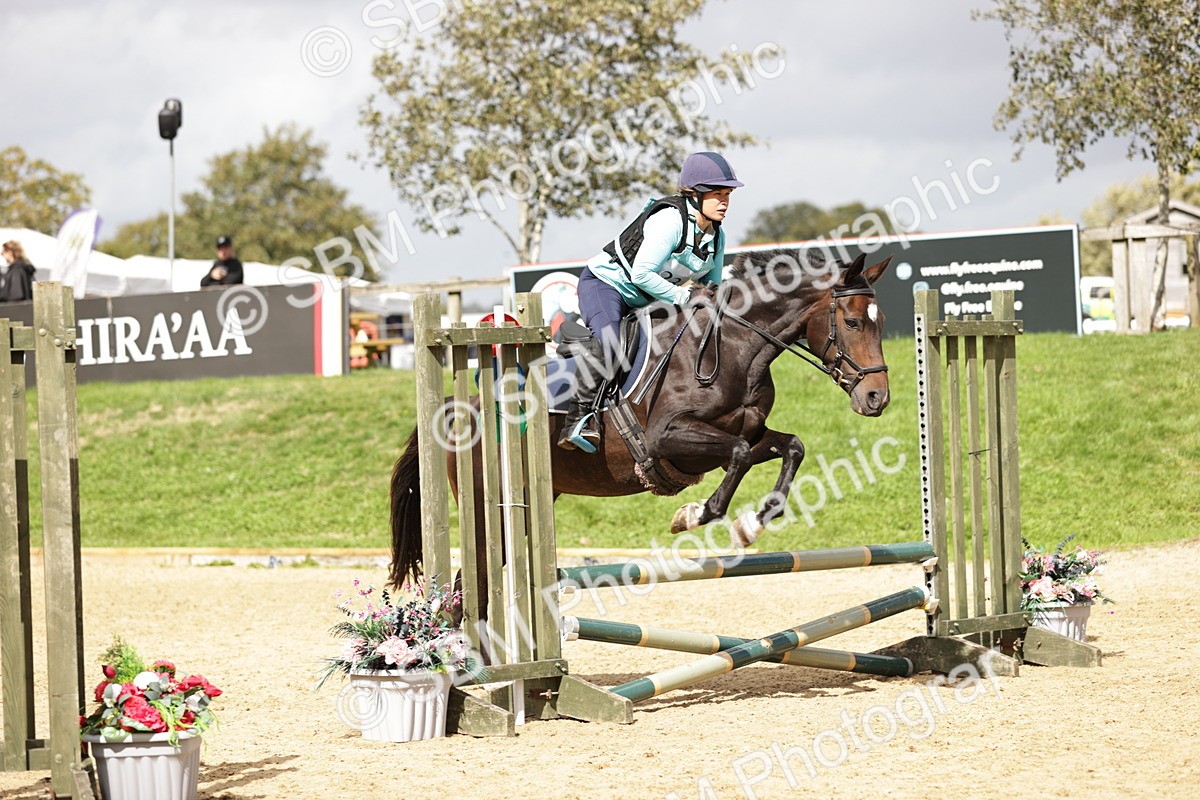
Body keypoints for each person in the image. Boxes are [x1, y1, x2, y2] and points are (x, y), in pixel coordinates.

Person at [558, 151, 744, 452]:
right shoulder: (670, 221)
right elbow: (642, 275)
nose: (724, 202)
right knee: (611, 343)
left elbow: (711, 288)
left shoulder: (716, 237)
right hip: (606, 286)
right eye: (717, 194)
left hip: (648, 299)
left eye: (728, 195)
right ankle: (578, 420)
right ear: (695, 194)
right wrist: (686, 296)